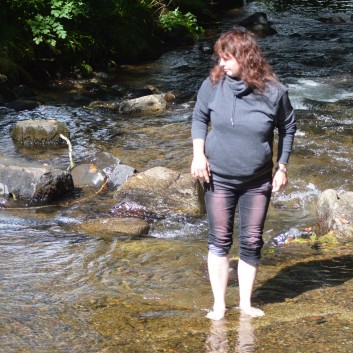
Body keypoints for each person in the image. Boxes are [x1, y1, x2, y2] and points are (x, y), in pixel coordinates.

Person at [191, 27, 296, 320]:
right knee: (219, 240)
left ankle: (246, 303)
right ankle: (219, 305)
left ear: (246, 58)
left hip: (257, 180)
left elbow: (288, 129)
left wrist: (282, 167)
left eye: (227, 58)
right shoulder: (212, 85)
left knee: (251, 240)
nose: (221, 64)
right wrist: (198, 155)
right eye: (220, 57)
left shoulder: (274, 92)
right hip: (219, 178)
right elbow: (199, 117)